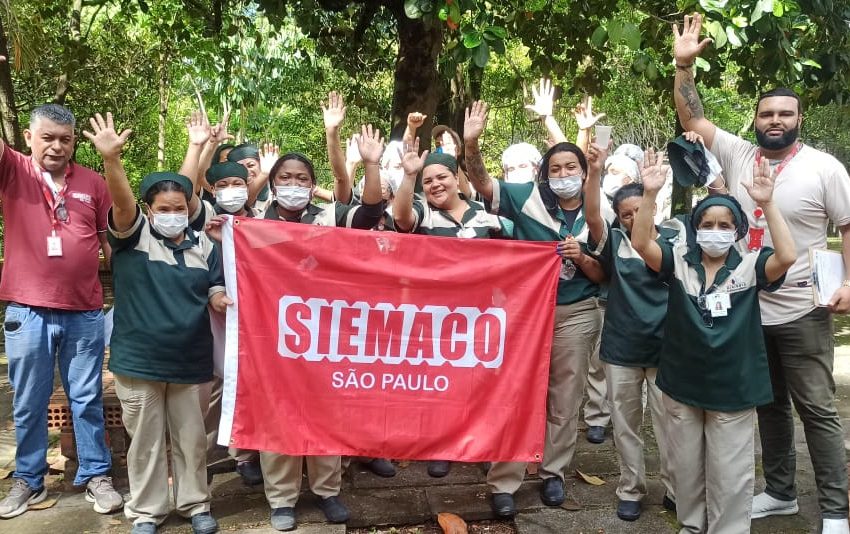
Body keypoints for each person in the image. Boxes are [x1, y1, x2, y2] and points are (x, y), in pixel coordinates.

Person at [672, 13, 850, 533]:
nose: (775, 120)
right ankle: (779, 492)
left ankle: (837, 509)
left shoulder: (825, 167)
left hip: (801, 307)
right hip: (747, 309)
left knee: (816, 410)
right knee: (766, 405)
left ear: (799, 117)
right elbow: (692, 119)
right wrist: (684, 66)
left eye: (785, 113)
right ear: (754, 117)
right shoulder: (738, 151)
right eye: (767, 112)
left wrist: (848, 284)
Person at [221, 124, 385, 532]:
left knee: (326, 413)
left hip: (326, 336)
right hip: (271, 338)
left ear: (313, 187)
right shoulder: (251, 222)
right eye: (285, 178)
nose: (294, 185)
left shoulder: (329, 216)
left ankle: (328, 491)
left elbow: (369, 213)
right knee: (277, 416)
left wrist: (371, 164)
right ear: (272, 184)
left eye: (302, 179)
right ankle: (281, 499)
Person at [632, 147, 796, 533]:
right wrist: (650, 194)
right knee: (686, 468)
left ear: (738, 231)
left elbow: (787, 257)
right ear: (695, 226)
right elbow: (641, 244)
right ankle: (691, 526)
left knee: (729, 473)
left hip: (733, 387)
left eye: (726, 226)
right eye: (708, 223)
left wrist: (768, 204)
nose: (716, 232)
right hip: (683, 383)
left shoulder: (752, 265)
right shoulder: (679, 261)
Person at [85, 112, 226, 534]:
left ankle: (195, 504)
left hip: (189, 362)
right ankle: (147, 510)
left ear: (189, 208)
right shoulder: (133, 235)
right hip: (140, 363)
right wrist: (112, 160)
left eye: (179, 208)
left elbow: (213, 287)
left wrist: (220, 299)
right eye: (163, 208)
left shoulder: (204, 243)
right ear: (149, 210)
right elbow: (123, 203)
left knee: (191, 440)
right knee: (144, 444)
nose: (172, 214)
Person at [463, 100, 606, 514]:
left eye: (571, 168)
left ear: (583, 173)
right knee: (515, 393)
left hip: (575, 314)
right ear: (544, 174)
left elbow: (601, 275)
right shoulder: (525, 198)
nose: (563, 176)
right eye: (555, 169)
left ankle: (553, 474)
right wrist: (471, 144)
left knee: (564, 400)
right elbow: (482, 181)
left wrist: (580, 257)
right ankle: (504, 481)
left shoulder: (598, 211)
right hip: (524, 316)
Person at [0, 103, 123, 519]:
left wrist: (129, 290)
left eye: (65, 139)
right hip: (28, 311)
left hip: (84, 310)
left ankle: (95, 475)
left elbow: (108, 243)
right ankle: (28, 480)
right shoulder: (13, 170)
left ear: (74, 143)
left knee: (85, 397)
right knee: (29, 401)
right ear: (30, 138)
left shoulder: (92, 182)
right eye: (47, 137)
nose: (57, 146)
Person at [583, 144, 677, 521]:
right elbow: (592, 214)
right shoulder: (615, 242)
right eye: (626, 213)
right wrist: (594, 171)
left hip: (666, 350)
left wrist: (652, 188)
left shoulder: (675, 240)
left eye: (641, 209)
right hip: (621, 349)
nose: (634, 216)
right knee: (625, 426)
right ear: (619, 218)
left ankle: (676, 488)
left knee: (671, 426)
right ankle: (630, 488)